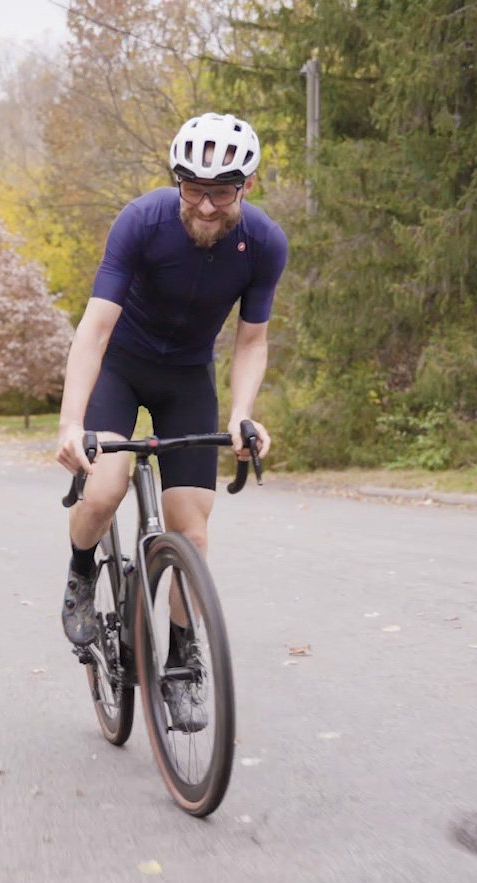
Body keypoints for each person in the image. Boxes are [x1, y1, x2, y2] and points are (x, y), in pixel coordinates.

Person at [55, 112, 287, 730]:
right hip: (120, 367)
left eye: (222, 192)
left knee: (194, 534)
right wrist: (71, 423)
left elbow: (252, 341)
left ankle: (184, 658)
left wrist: (242, 415)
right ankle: (80, 572)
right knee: (103, 489)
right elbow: (94, 328)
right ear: (175, 179)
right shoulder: (142, 221)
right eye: (193, 188)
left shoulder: (265, 243)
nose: (206, 206)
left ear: (248, 185)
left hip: (187, 378)